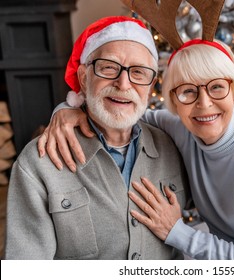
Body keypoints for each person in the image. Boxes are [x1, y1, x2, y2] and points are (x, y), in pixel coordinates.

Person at [38, 36, 234, 259]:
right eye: (188, 90)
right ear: (174, 102)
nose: (203, 104)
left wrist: (176, 232)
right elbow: (122, 113)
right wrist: (68, 109)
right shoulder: (181, 126)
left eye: (216, 87)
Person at [5, 16, 190, 260]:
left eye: (138, 72)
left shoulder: (173, 145)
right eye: (109, 67)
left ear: (151, 84)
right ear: (84, 77)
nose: (123, 84)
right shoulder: (38, 163)